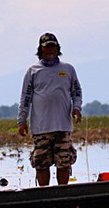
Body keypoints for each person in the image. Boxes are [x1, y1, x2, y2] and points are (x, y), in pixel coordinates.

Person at [17, 33, 83, 186]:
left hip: (63, 125)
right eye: (46, 47)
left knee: (64, 163)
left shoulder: (68, 69)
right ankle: (44, 192)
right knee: (41, 163)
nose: (50, 50)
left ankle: (63, 191)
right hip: (41, 127)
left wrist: (77, 108)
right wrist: (22, 121)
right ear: (41, 49)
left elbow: (77, 92)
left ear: (57, 48)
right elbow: (25, 97)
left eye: (52, 47)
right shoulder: (33, 71)